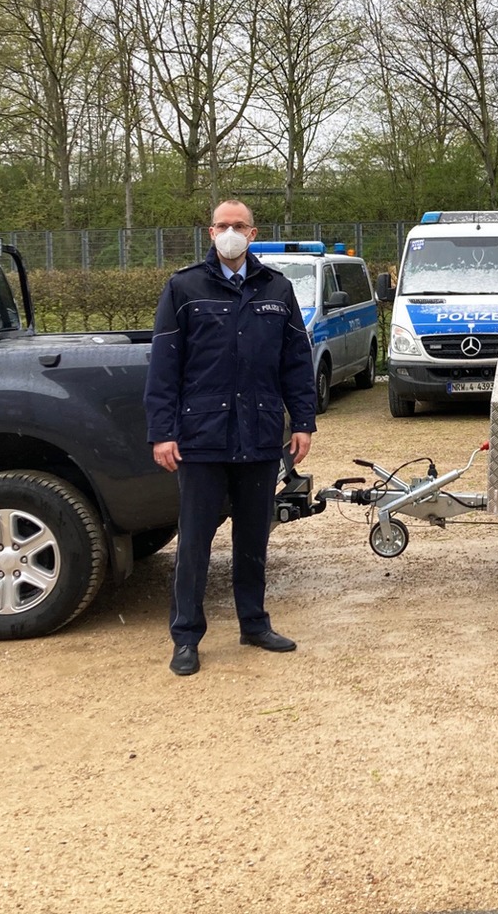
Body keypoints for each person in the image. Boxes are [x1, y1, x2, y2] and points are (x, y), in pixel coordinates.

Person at [144, 199, 317, 676]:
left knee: (253, 539)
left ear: (253, 232)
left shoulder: (276, 288)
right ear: (210, 232)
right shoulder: (184, 287)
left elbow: (296, 364)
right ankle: (186, 636)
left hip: (259, 434)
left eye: (238, 225)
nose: (230, 232)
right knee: (195, 541)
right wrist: (162, 433)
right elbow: (164, 367)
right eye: (223, 225)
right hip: (201, 436)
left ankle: (254, 623)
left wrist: (302, 421)